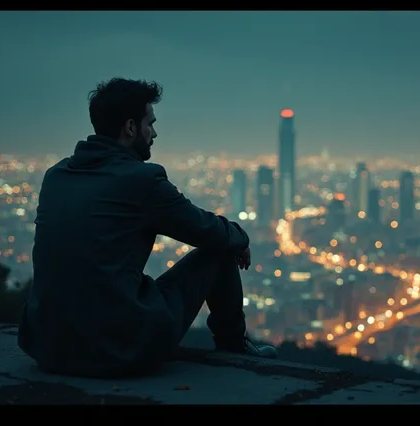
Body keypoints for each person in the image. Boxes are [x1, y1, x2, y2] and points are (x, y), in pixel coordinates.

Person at [18, 77, 277, 378]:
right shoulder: (140, 180)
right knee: (218, 253)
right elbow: (207, 230)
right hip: (117, 348)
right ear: (130, 128)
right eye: (149, 123)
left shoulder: (56, 176)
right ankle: (234, 347)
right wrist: (240, 237)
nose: (154, 133)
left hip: (46, 346)